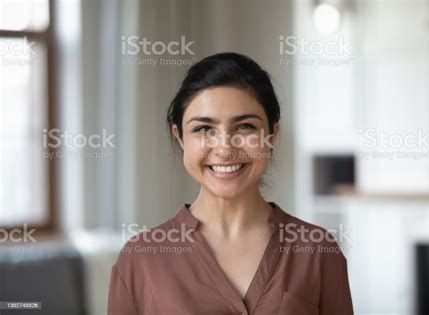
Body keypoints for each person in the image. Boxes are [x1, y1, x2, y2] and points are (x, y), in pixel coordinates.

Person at [108, 52, 353, 315]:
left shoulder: (316, 251)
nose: (225, 149)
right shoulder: (140, 260)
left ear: (272, 134)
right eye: (204, 129)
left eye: (245, 127)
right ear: (179, 137)